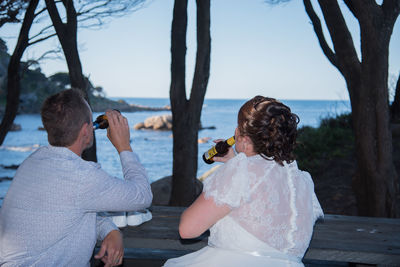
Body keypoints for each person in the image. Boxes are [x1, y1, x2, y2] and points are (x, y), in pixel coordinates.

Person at [164, 96, 323, 267]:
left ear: (245, 139)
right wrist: (237, 164)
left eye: (238, 127)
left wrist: (234, 170)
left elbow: (188, 229)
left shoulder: (240, 172)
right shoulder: (303, 180)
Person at [0, 89, 153, 267]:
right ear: (86, 131)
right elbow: (143, 196)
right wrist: (124, 147)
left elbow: (66, 216)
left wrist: (111, 231)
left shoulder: (32, 162)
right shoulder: (81, 176)